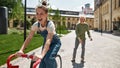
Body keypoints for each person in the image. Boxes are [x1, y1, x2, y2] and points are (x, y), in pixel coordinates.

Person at [16, 1, 61, 68]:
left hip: (55, 43)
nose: (39, 16)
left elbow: (49, 40)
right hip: (46, 43)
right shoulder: (36, 25)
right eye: (37, 13)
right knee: (42, 61)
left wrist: (42, 55)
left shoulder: (50, 25)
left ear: (46, 14)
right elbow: (29, 37)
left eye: (41, 14)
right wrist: (21, 50)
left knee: (48, 59)